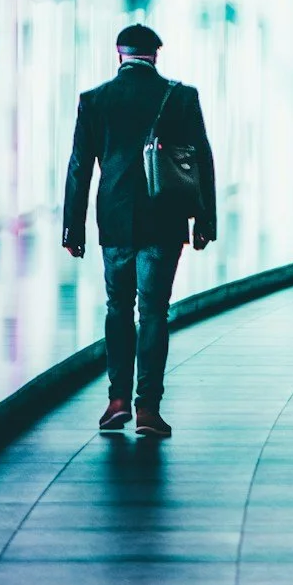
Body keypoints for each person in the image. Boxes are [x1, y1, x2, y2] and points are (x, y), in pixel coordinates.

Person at [62, 24, 216, 436]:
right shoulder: (181, 97)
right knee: (153, 312)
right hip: (165, 220)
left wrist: (71, 227)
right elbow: (200, 159)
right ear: (155, 56)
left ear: (119, 55)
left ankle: (116, 400)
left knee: (117, 308)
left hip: (113, 220)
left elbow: (79, 167)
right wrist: (205, 219)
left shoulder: (94, 101)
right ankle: (147, 408)